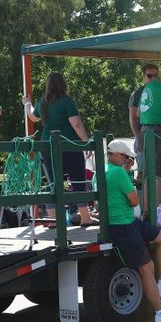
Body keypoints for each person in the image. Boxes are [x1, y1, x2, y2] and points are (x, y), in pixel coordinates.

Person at [104, 139, 161, 322]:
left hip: (126, 222)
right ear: (116, 155)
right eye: (125, 158)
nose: (127, 161)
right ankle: (160, 313)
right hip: (124, 225)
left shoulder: (103, 171)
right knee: (147, 268)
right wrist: (126, 176)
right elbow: (134, 201)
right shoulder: (118, 173)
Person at [23, 72, 96, 226]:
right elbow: (76, 123)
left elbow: (33, 117)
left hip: (47, 144)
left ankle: (54, 220)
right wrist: (86, 142)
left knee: (53, 182)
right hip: (69, 144)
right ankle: (85, 217)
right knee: (77, 180)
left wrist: (27, 103)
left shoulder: (42, 102)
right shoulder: (67, 101)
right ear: (63, 84)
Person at [138, 63, 161, 225]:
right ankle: (159, 213)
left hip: (145, 130)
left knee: (148, 173)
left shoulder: (149, 87)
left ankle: (147, 211)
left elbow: (138, 113)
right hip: (159, 131)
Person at [128, 63, 159, 181]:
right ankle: (141, 198)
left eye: (156, 76)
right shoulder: (138, 93)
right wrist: (138, 137)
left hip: (158, 136)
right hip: (143, 136)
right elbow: (132, 117)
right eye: (149, 75)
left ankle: (155, 199)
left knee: (158, 174)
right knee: (143, 173)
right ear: (144, 77)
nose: (153, 78)